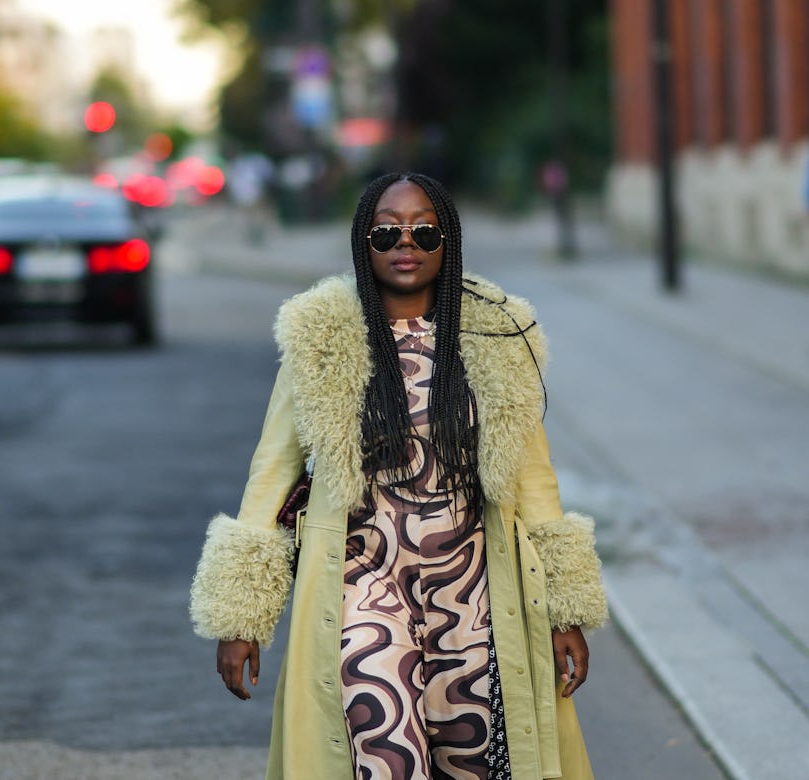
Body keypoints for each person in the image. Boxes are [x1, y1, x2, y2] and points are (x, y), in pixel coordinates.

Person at [189, 172, 608, 779]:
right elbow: (272, 470)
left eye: (422, 231)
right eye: (386, 232)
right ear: (364, 242)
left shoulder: (494, 334)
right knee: (385, 756)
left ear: (448, 241)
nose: (404, 244)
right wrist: (240, 619)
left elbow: (533, 479)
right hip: (363, 584)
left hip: (476, 592)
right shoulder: (323, 336)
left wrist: (565, 612)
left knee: (476, 760)